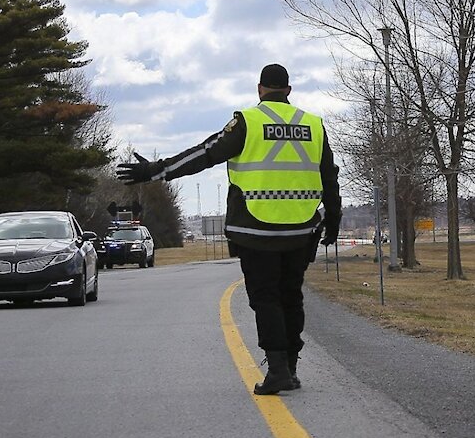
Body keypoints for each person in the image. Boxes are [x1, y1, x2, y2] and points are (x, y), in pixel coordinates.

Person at [116, 63, 342, 395]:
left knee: (265, 298)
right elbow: (330, 178)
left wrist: (156, 171)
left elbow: (205, 155)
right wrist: (333, 221)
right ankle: (291, 369)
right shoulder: (314, 125)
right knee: (291, 297)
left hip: (256, 229)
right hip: (300, 230)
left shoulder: (248, 121)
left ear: (260, 89)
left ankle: (278, 369)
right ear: (289, 91)